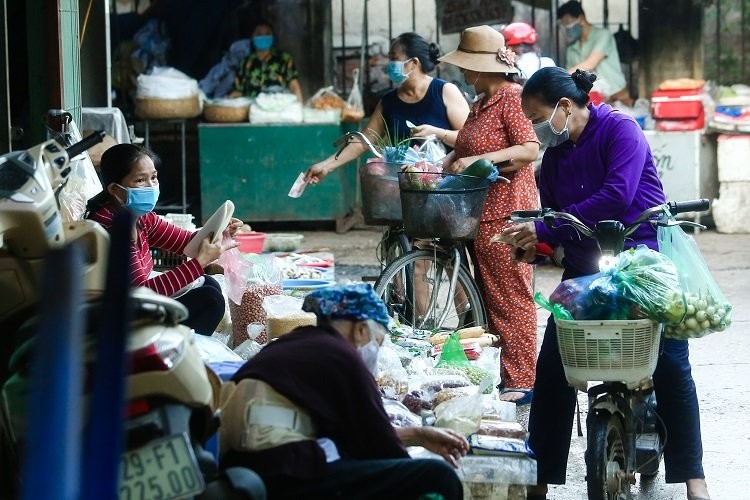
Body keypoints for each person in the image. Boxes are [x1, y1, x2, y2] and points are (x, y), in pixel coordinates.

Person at [497, 67, 711, 500]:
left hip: (645, 262)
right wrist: (535, 244)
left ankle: (695, 480)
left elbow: (616, 195)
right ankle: (539, 481)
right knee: (554, 367)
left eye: (538, 117)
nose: (538, 130)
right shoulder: (554, 158)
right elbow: (555, 219)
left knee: (670, 364)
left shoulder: (621, 131)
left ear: (564, 107)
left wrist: (546, 232)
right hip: (587, 269)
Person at [219, 284, 468, 500]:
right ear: (360, 330)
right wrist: (411, 456)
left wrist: (418, 434)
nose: (375, 352)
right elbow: (379, 447)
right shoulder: (342, 356)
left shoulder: (295, 341)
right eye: (377, 342)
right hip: (283, 474)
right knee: (437, 476)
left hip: (242, 464)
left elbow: (356, 432)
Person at [437, 25, 540, 405]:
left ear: (482, 68)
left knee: (512, 299)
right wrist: (446, 161)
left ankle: (524, 381)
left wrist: (479, 159)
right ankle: (502, 374)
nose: (462, 73)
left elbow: (529, 149)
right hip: (481, 213)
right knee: (489, 297)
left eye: (466, 66)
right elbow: (465, 146)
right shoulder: (481, 103)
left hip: (508, 214)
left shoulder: (513, 97)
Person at [85, 144, 242, 335]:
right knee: (210, 299)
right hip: (116, 316)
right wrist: (200, 262)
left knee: (210, 284)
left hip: (137, 302)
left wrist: (220, 232)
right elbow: (142, 293)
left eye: (153, 177)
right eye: (140, 180)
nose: (151, 186)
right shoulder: (110, 228)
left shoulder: (141, 217)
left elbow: (186, 243)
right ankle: (171, 357)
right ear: (115, 190)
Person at [304, 32, 469, 184]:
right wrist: (326, 165)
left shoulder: (444, 91)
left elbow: (470, 139)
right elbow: (363, 142)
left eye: (393, 58)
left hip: (448, 182)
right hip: (406, 186)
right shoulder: (389, 101)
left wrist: (437, 133)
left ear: (413, 63)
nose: (388, 64)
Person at [557, 0, 631, 105]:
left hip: (617, 95)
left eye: (568, 23)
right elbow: (573, 76)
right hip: (593, 98)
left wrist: (561, 76)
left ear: (581, 19)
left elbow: (591, 63)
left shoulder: (603, 35)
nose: (567, 28)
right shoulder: (571, 48)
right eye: (564, 25)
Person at [229, 20, 303, 102]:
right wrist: (227, 102)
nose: (263, 37)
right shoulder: (245, 63)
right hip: (252, 111)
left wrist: (300, 109)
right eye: (259, 34)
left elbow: (294, 86)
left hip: (279, 110)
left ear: (272, 37)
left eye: (267, 34)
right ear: (252, 37)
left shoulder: (284, 59)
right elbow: (238, 91)